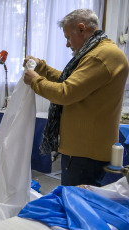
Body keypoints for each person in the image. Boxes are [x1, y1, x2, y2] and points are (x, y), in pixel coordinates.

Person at [23, 9, 129, 186]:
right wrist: (41, 67)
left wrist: (35, 81)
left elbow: (65, 93)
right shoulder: (99, 52)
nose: (67, 44)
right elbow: (70, 82)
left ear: (81, 28)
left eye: (67, 37)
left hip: (85, 153)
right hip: (87, 149)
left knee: (78, 203)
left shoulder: (100, 56)